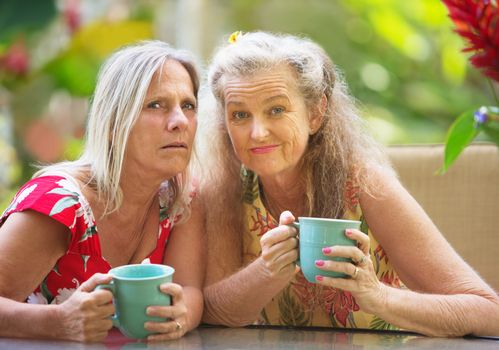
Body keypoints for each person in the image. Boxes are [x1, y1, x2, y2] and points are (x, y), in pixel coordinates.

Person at [197, 31, 499, 337]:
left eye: (276, 110)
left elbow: (488, 311)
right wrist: (266, 271)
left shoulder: (364, 184)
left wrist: (378, 296)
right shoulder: (224, 192)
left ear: (315, 114)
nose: (257, 132)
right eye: (240, 115)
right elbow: (210, 311)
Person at [0, 40, 205, 342]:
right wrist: (56, 322)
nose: (180, 122)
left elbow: (190, 290)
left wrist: (181, 315)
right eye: (156, 105)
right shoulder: (58, 204)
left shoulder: (180, 197)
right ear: (112, 123)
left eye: (187, 105)